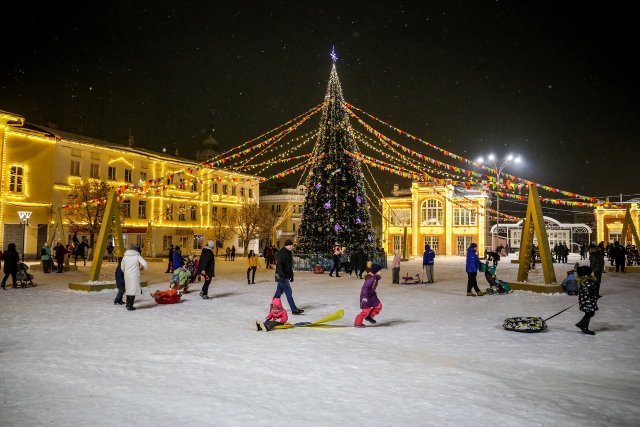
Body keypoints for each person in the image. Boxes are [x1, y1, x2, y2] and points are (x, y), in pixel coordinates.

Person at [274, 239, 303, 314]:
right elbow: (279, 265)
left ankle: (273, 307)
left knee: (278, 292)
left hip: (284, 275)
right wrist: (281, 275)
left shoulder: (288, 252)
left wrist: (291, 275)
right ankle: (294, 309)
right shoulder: (282, 253)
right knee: (288, 292)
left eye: (291, 245)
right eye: (289, 245)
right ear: (286, 245)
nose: (291, 246)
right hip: (281, 276)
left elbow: (289, 266)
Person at [120, 244, 148, 311]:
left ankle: (127, 304)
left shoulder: (125, 257)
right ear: (135, 249)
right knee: (133, 290)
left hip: (127, 275)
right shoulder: (137, 256)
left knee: (128, 289)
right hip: (134, 276)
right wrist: (141, 269)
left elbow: (122, 267)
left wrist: (126, 272)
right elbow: (145, 264)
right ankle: (130, 306)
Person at [354, 263, 383, 327]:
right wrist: (365, 297)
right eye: (379, 271)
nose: (381, 272)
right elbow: (365, 288)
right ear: (376, 271)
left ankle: (369, 316)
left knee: (379, 306)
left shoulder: (375, 277)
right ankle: (357, 323)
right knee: (365, 311)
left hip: (372, 295)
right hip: (366, 296)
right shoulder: (370, 279)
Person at [575, 265, 598, 335]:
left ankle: (581, 324)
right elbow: (586, 291)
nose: (593, 273)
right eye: (591, 272)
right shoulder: (588, 281)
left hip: (588, 300)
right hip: (587, 301)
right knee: (589, 313)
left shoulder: (587, 280)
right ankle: (585, 328)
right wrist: (590, 295)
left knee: (590, 313)